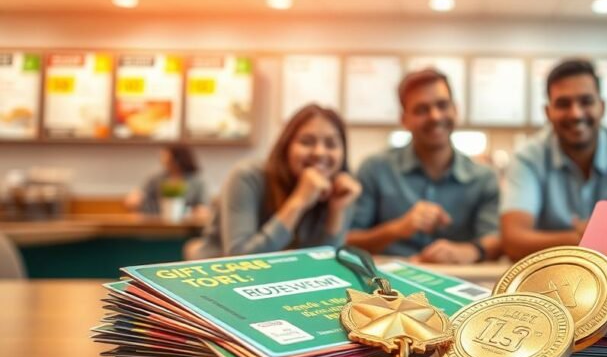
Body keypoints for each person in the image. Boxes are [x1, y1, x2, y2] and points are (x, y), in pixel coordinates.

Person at [500, 58, 607, 260]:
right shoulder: (528, 158)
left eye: (586, 102)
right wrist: (595, 238)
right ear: (548, 112)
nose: (576, 114)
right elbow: (514, 241)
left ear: (602, 107)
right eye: (563, 104)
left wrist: (582, 238)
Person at [346, 68, 501, 263]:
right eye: (421, 110)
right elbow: (348, 239)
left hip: (459, 278)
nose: (435, 116)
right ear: (404, 120)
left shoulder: (484, 178)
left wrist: (468, 251)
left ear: (456, 110)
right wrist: (396, 229)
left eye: (442, 105)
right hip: (388, 283)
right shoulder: (375, 169)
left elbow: (496, 239)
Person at [186, 105, 361, 259]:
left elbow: (324, 263)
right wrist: (299, 200)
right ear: (286, 146)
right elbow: (240, 259)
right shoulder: (247, 177)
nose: (319, 152)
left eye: (331, 144)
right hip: (214, 284)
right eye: (307, 142)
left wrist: (336, 211)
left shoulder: (340, 190)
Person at [124, 144, 206, 216]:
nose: (163, 160)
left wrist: (197, 211)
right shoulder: (156, 179)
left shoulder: (196, 182)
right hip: (156, 223)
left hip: (186, 224)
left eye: (166, 157)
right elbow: (138, 196)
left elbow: (203, 208)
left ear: (178, 159)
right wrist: (135, 198)